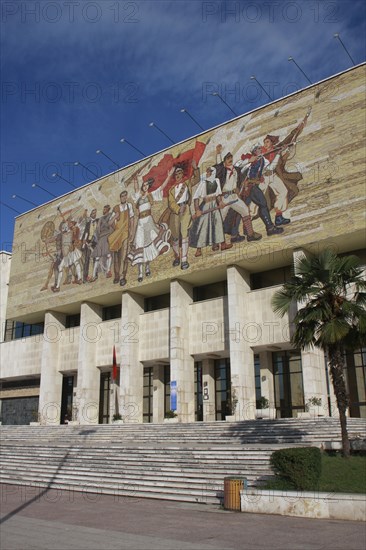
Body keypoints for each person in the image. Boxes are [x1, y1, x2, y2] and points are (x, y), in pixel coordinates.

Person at [128, 176, 171, 283]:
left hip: (149, 221)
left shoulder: (151, 195)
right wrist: (135, 179)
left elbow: (161, 188)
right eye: (144, 185)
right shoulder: (138, 196)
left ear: (148, 186)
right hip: (141, 223)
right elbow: (136, 188)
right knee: (139, 244)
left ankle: (147, 267)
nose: (145, 186)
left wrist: (169, 176)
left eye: (147, 185)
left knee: (151, 242)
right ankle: (140, 272)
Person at [214, 146, 262, 242]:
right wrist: (218, 153)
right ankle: (216, 241)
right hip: (224, 197)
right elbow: (219, 164)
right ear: (224, 161)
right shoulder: (222, 171)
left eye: (231, 158)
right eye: (228, 158)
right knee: (220, 219)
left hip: (234, 196)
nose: (230, 160)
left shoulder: (236, 169)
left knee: (245, 210)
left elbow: (242, 164)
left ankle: (250, 234)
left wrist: (250, 160)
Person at [189, 166, 232, 257]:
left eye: (210, 171)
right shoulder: (203, 183)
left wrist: (220, 202)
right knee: (203, 226)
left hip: (214, 206)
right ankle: (199, 249)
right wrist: (197, 210)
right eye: (207, 171)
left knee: (218, 224)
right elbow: (196, 198)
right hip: (206, 206)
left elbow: (218, 195)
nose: (208, 173)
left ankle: (223, 245)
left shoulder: (216, 181)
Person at [163, 165, 200, 270]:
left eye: (179, 173)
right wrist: (178, 209)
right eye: (176, 174)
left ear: (182, 174)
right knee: (175, 236)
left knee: (184, 234)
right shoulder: (171, 189)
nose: (178, 175)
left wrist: (195, 168)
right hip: (176, 212)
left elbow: (197, 179)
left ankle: (184, 260)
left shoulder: (187, 183)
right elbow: (171, 203)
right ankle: (177, 257)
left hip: (186, 209)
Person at [108, 190, 135, 287]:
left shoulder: (129, 206)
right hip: (117, 235)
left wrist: (131, 232)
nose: (123, 197)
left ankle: (123, 276)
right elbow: (110, 223)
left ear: (126, 197)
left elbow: (132, 219)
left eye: (125, 196)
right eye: (122, 196)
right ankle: (116, 275)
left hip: (125, 233)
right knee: (116, 257)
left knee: (124, 255)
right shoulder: (116, 208)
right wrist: (115, 217)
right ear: (120, 198)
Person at [90, 205, 113, 281]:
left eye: (105, 209)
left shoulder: (110, 215)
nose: (103, 210)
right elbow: (98, 228)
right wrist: (97, 236)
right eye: (103, 209)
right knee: (97, 257)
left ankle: (108, 271)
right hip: (101, 237)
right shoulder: (100, 219)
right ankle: (93, 275)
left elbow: (111, 225)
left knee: (108, 254)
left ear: (108, 210)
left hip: (108, 236)